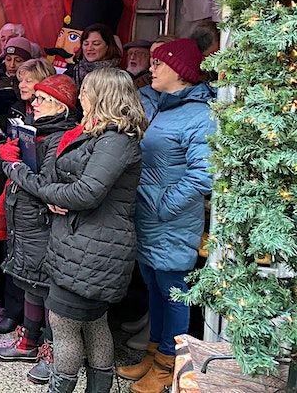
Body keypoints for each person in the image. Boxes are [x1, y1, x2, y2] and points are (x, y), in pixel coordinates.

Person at [2, 67, 147, 392]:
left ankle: (62, 387)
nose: (80, 97)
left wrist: (47, 191)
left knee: (65, 324)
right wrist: (58, 194)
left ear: (102, 96)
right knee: (93, 324)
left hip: (93, 249)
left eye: (86, 91)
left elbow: (86, 193)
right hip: (81, 244)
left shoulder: (116, 141)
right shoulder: (101, 134)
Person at [117, 39, 216, 393]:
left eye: (159, 63)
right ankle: (154, 353)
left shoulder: (200, 115)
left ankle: (170, 365)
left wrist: (164, 204)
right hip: (150, 218)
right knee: (156, 290)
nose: (152, 68)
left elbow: (203, 174)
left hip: (171, 221)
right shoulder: (164, 106)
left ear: (180, 71)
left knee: (174, 293)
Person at [0, 74, 77, 384]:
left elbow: (47, 184)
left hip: (43, 222)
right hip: (24, 221)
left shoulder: (61, 138)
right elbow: (0, 164)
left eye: (42, 99)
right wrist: (2, 154)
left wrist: (14, 166)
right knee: (29, 282)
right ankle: (28, 341)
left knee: (47, 287)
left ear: (60, 106)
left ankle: (52, 352)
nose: (34, 103)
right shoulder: (32, 130)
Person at [0, 58, 57, 341]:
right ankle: (11, 311)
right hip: (12, 190)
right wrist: (0, 152)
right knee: (11, 252)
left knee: (32, 261)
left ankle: (34, 326)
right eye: (21, 80)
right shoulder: (13, 109)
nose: (22, 85)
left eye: (29, 80)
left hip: (38, 198)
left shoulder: (55, 116)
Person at [63, 23, 122, 91]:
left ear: (108, 46)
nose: (89, 48)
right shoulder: (72, 72)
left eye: (96, 44)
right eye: (86, 44)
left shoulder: (120, 78)